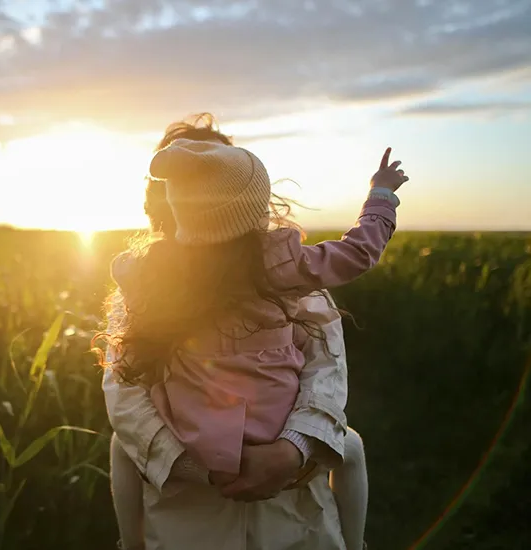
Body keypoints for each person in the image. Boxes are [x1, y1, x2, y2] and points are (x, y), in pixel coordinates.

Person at [100, 115, 406, 549]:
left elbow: (326, 370)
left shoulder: (151, 278)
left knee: (348, 446)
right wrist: (192, 465)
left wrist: (291, 450)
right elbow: (125, 392)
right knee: (350, 446)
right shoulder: (286, 269)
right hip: (184, 511)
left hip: (294, 511)